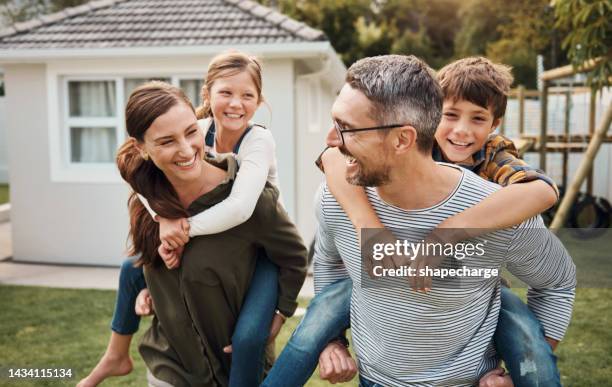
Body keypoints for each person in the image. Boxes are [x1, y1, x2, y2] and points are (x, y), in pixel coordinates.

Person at [263, 57, 564, 387]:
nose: (331, 141)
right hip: (375, 379)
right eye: (450, 115)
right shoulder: (338, 195)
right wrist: (332, 341)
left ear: (404, 140)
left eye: (346, 128)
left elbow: (556, 277)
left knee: (514, 320)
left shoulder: (500, 202)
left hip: (469, 369)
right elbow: (329, 261)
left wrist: (519, 372)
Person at [78, 52, 298, 387]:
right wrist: (163, 221)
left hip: (263, 246)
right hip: (174, 363)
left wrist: (184, 230)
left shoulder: (258, 141)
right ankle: (115, 353)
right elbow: (137, 178)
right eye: (226, 93)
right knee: (132, 270)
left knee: (249, 338)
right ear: (207, 96)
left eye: (247, 95)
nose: (236, 104)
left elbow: (241, 207)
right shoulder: (198, 132)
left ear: (260, 101)